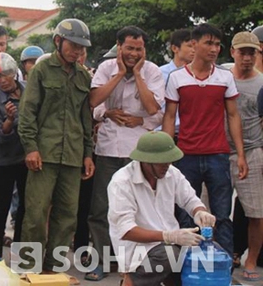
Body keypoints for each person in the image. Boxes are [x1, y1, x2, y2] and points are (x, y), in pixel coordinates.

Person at [86, 26, 165, 281]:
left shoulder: (152, 71)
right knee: (101, 208)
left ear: (144, 50)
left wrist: (138, 76)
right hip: (108, 149)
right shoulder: (107, 68)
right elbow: (94, 101)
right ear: (119, 47)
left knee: (139, 209)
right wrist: (120, 74)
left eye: (138, 49)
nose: (133, 53)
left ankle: (134, 263)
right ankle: (100, 261)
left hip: (139, 151)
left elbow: (153, 108)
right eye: (129, 48)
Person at [163, 23, 248, 256]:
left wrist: (240, 154)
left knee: (221, 214)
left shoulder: (224, 76)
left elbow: (232, 115)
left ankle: (224, 268)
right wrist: (168, 154)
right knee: (185, 213)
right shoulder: (177, 77)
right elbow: (169, 116)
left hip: (218, 154)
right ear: (194, 44)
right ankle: (184, 268)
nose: (214, 49)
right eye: (208, 43)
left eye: (217, 44)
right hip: (186, 154)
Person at [18, 18, 95, 276]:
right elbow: (27, 111)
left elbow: (85, 118)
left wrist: (87, 153)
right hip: (43, 154)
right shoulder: (41, 70)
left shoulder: (83, 75)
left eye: (81, 48)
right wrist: (30, 147)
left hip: (73, 156)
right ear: (58, 42)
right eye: (73, 46)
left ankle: (55, 267)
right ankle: (28, 267)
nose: (77, 52)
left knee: (67, 216)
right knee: (36, 213)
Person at [108, 131, 216, 286]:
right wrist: (168, 236)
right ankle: (129, 282)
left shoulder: (172, 173)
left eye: (169, 161)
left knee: (198, 258)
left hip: (170, 245)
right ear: (146, 161)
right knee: (168, 255)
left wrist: (200, 211)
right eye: (161, 161)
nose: (167, 165)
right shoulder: (121, 182)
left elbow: (190, 199)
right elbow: (126, 230)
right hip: (138, 248)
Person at [0, 52, 27, 260]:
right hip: (4, 161)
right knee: (0, 207)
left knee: (25, 208)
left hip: (27, 158)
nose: (2, 80)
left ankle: (19, 254)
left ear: (14, 73)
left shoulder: (29, 92)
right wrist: (8, 121)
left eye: (6, 74)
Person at [226, 32, 263, 281]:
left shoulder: (261, 83)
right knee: (211, 210)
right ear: (232, 52)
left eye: (252, 52)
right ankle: (222, 256)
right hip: (218, 151)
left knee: (256, 212)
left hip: (253, 150)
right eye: (243, 52)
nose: (247, 58)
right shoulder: (222, 75)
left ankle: (251, 259)